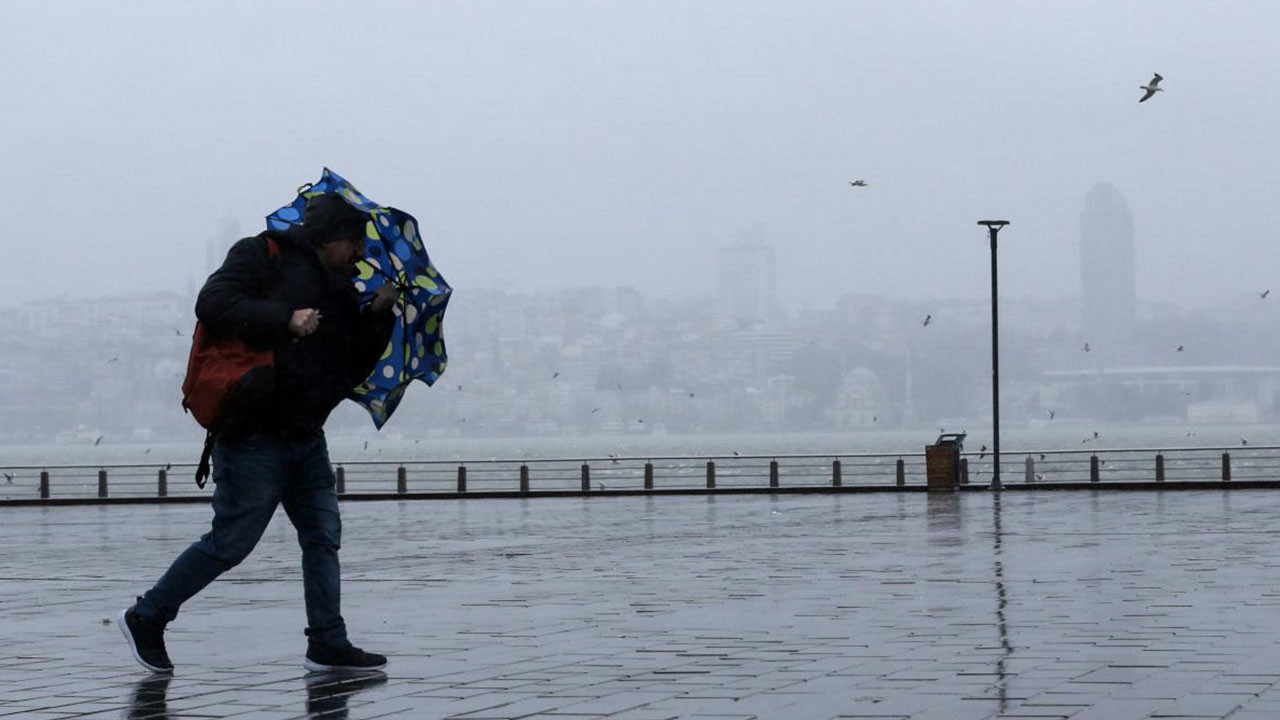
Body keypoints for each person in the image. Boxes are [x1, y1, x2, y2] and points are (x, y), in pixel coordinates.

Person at [118, 194, 397, 673]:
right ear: (331, 236)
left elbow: (350, 369)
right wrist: (285, 319)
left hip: (306, 436)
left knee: (323, 535)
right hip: (253, 433)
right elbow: (213, 303)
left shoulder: (343, 292)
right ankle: (148, 615)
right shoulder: (260, 254)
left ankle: (328, 641)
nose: (360, 253)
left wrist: (377, 316)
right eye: (355, 241)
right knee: (232, 541)